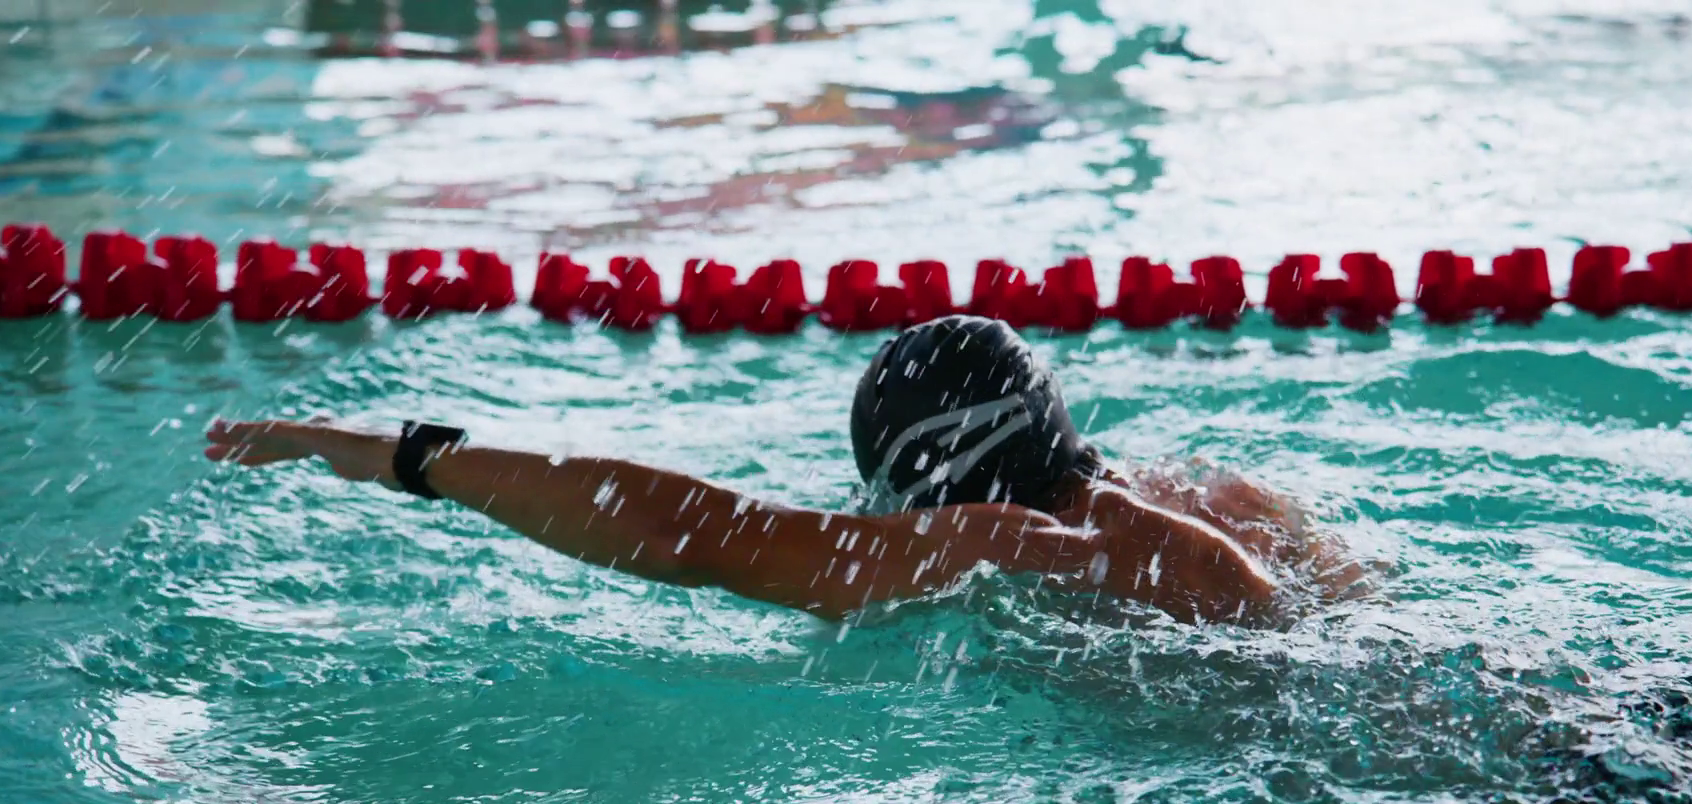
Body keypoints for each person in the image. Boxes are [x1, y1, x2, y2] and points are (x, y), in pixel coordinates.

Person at [205, 315, 1363, 625]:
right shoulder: (1219, 498)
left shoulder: (1000, 541)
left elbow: (692, 534)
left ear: (932, 497)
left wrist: (400, 456)